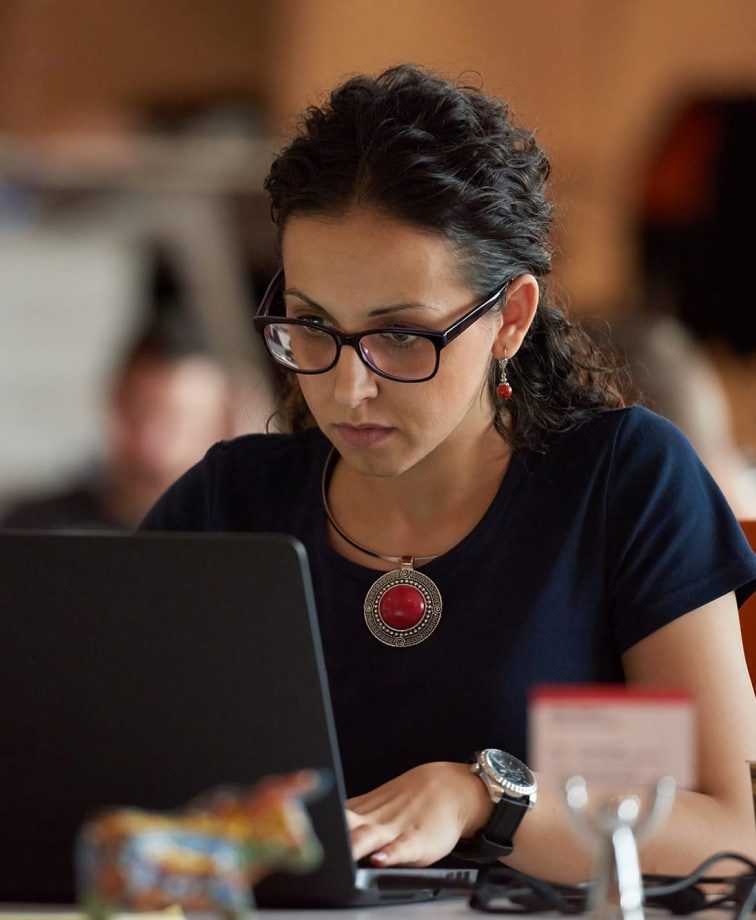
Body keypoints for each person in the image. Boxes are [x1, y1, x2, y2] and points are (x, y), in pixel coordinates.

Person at [140, 65, 756, 882]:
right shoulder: (229, 503)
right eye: (313, 327)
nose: (345, 386)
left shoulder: (620, 482)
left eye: (400, 336)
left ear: (511, 319)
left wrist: (484, 799)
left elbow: (733, 833)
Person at [2, 312, 235, 530]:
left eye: (178, 426)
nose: (150, 448)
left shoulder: (246, 538)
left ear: (225, 425)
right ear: (113, 401)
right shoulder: (34, 530)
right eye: (135, 416)